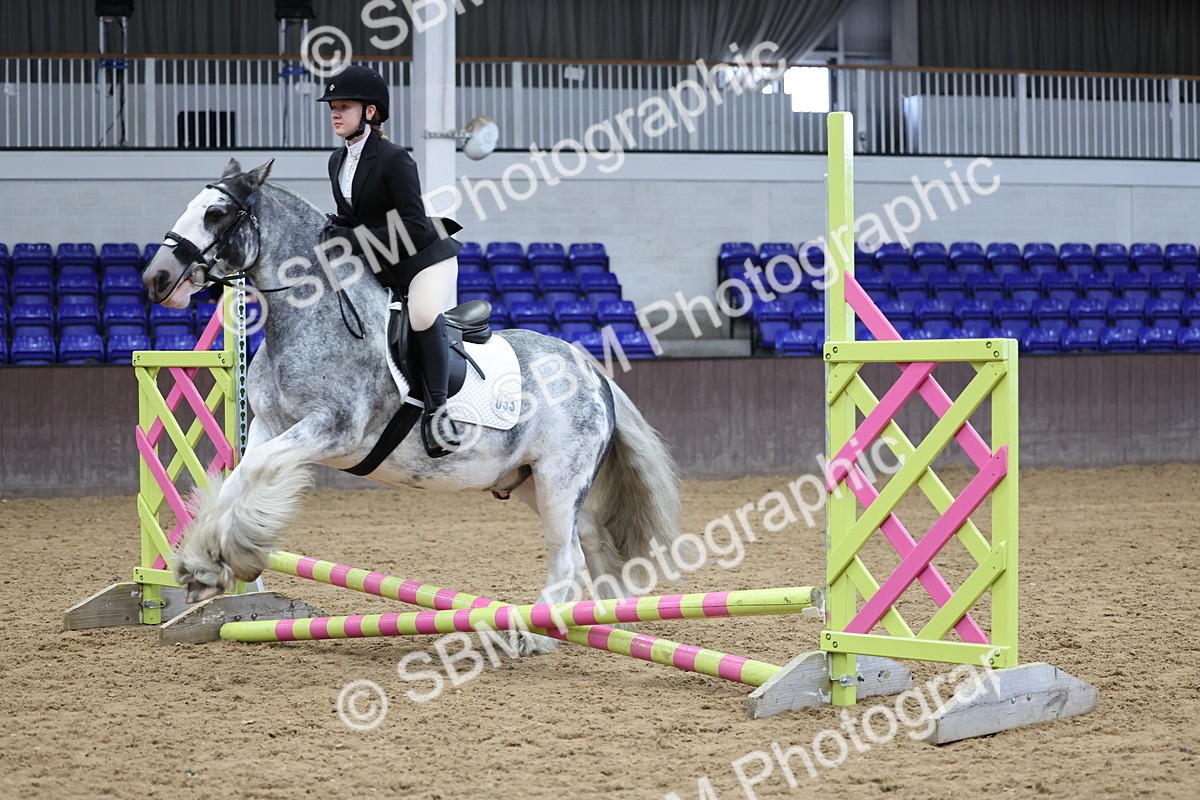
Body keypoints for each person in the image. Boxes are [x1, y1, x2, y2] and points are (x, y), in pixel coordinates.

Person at [317, 65, 464, 458]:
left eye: (344, 106)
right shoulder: (337, 161)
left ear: (370, 112)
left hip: (426, 260)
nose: (335, 113)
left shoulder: (395, 159)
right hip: (383, 263)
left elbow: (415, 226)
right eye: (333, 106)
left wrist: (353, 238)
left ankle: (438, 414)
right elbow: (351, 218)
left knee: (419, 316)